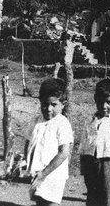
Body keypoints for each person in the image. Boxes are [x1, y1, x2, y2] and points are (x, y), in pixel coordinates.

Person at [24, 78, 74, 206]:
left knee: (50, 203)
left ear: (63, 104)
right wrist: (26, 162)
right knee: (39, 201)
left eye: (54, 104)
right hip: (37, 172)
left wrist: (44, 173)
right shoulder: (36, 121)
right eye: (45, 104)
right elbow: (28, 142)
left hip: (53, 174)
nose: (48, 109)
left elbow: (64, 152)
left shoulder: (62, 124)